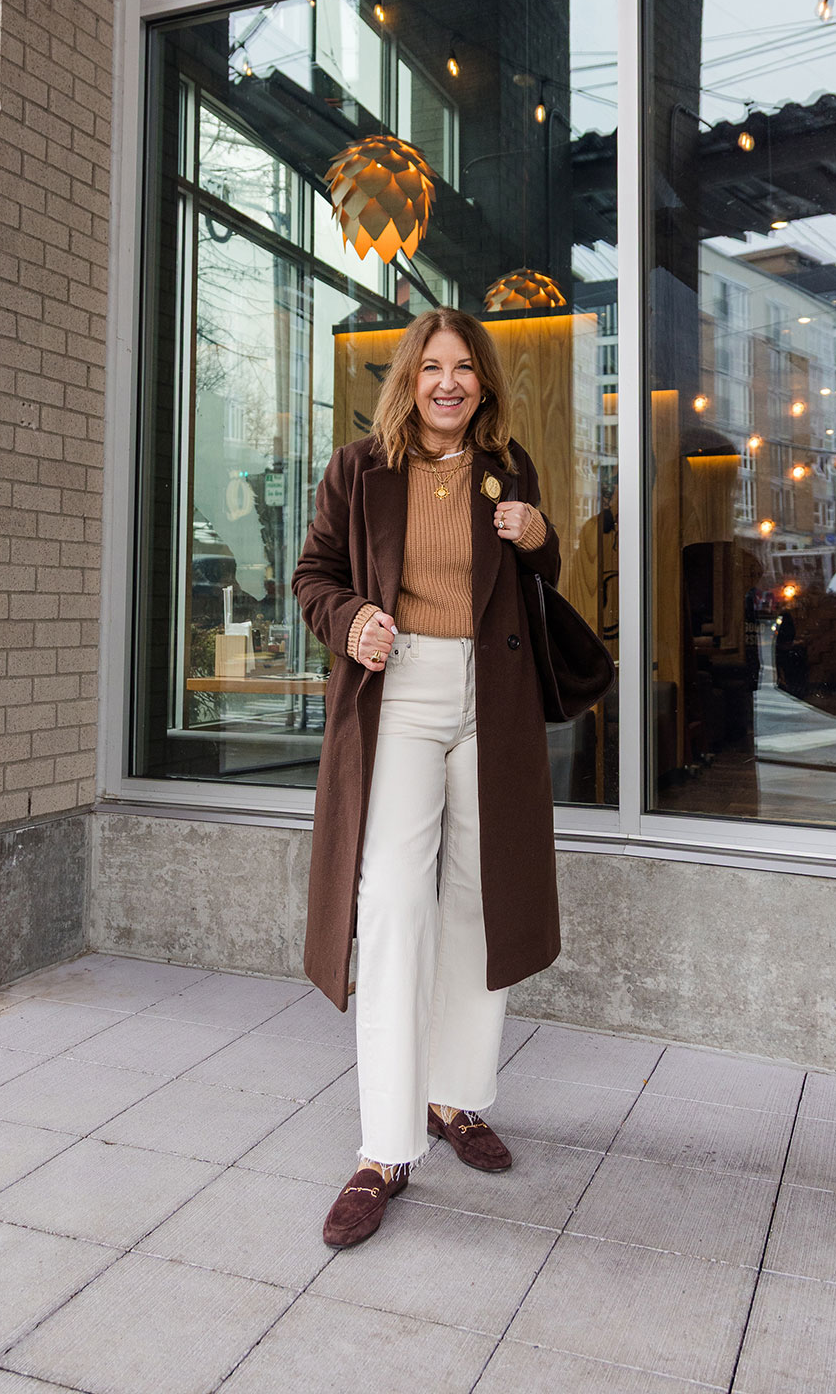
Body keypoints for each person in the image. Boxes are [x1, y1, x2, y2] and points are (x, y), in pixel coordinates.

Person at [292, 307, 561, 1249]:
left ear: (482, 382)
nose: (448, 383)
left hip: (495, 695)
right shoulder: (359, 469)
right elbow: (312, 575)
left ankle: (457, 1099)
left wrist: (536, 533)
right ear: (408, 378)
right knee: (397, 901)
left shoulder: (510, 464)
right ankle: (384, 1148)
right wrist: (351, 618)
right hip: (399, 692)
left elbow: (543, 573)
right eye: (431, 367)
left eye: (465, 369)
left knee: (478, 901)